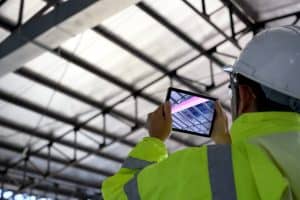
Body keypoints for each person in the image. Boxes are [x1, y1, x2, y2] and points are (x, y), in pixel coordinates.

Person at [101, 26, 300, 200]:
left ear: (245, 95)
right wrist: (225, 144)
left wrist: (154, 141)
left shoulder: (198, 170)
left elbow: (119, 194)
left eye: (233, 89)